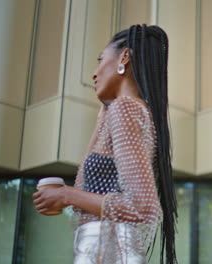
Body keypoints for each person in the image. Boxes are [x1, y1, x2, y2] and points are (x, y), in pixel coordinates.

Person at [32, 24, 178, 264]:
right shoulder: (126, 111)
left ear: (124, 57)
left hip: (108, 252)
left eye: (100, 60)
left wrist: (67, 195)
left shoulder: (126, 109)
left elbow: (143, 207)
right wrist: (103, 113)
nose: (94, 73)